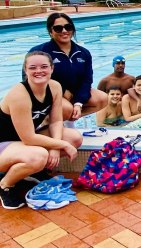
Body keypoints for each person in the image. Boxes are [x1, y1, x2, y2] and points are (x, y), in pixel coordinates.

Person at [0, 51, 81, 209]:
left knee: (74, 138)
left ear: (51, 68)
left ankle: (31, 172)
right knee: (39, 155)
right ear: (25, 70)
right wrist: (60, 145)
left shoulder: (54, 87)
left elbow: (56, 120)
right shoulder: (19, 94)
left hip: (22, 142)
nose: (39, 71)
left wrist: (56, 148)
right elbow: (29, 139)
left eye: (44, 66)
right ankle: (5, 185)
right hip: (4, 144)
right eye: (33, 67)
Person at [29, 13, 107, 123]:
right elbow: (31, 79)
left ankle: (67, 119)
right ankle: (46, 121)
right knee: (66, 108)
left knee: (102, 98)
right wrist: (62, 91)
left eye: (68, 27)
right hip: (48, 94)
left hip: (73, 94)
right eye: (58, 28)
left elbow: (86, 80)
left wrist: (79, 103)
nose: (64, 31)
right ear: (51, 32)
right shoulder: (40, 52)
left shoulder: (83, 53)